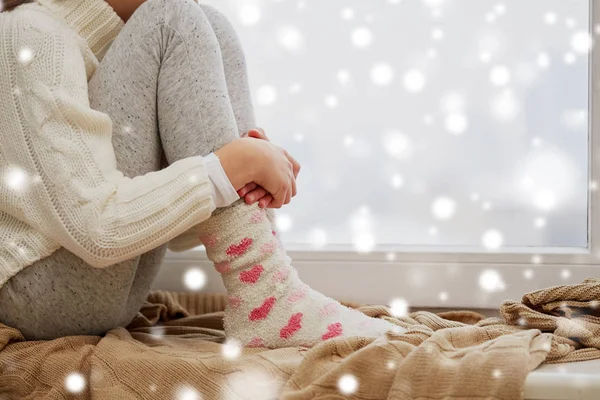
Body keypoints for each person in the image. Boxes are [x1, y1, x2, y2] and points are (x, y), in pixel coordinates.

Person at [0, 0, 399, 347]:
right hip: (39, 296)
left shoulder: (131, 43)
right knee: (172, 19)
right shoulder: (31, 34)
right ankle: (267, 297)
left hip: (112, 291)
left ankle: (268, 287)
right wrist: (224, 169)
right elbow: (99, 232)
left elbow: (178, 236)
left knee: (208, 24)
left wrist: (238, 177)